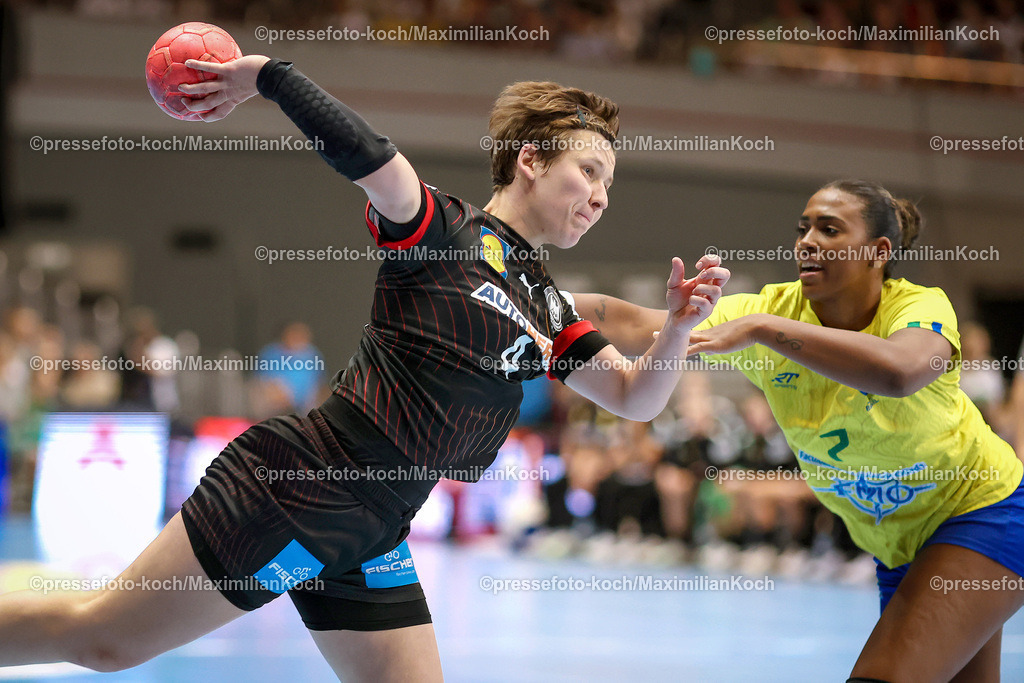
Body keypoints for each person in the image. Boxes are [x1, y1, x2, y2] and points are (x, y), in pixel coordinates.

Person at [0, 53, 728, 680]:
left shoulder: (546, 304)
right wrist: (267, 77)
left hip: (375, 528)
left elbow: (635, 397)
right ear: (532, 159)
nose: (601, 196)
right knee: (102, 638)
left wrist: (680, 328)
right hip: (301, 488)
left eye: (611, 184)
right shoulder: (441, 228)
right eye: (589, 170)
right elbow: (368, 154)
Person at [571, 179, 1024, 682]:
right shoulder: (771, 308)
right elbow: (638, 324)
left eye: (829, 229)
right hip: (899, 546)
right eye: (803, 227)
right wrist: (530, 292)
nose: (807, 240)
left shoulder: (916, 306)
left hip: (984, 513)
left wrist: (763, 331)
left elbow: (901, 371)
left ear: (879, 252)